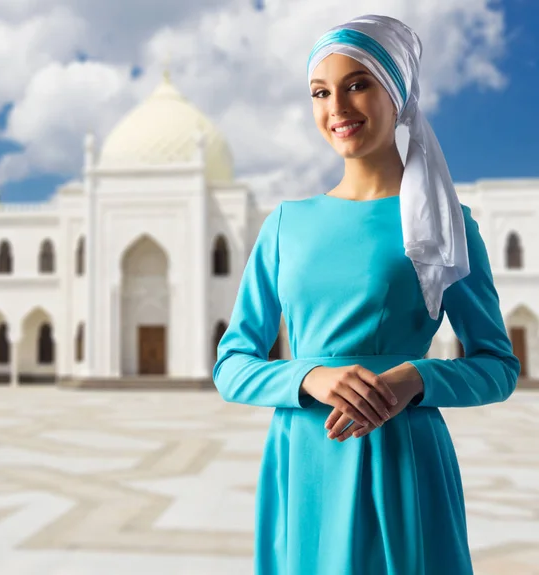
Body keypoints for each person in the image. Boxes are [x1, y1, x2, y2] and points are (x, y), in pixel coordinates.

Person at [212, 14, 520, 575]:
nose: (337, 108)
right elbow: (232, 365)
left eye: (358, 84)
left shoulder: (446, 224)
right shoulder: (285, 225)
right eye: (320, 92)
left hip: (401, 456)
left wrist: (417, 378)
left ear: (397, 92)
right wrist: (308, 376)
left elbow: (498, 367)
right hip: (304, 460)